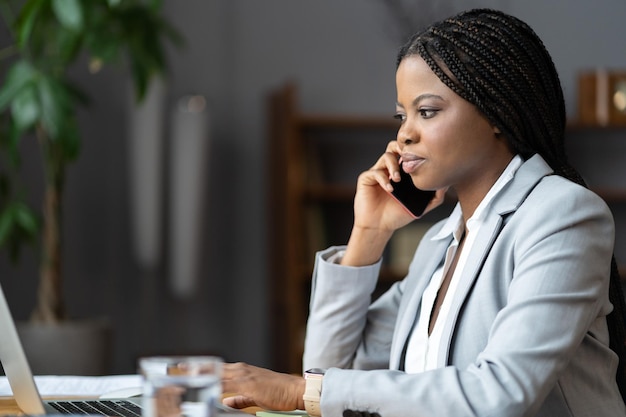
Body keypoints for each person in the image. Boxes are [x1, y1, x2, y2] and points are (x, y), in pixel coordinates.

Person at [222, 8, 626, 417]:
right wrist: (369, 232)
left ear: (497, 114)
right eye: (402, 115)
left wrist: (297, 391)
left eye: (427, 111)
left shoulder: (563, 215)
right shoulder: (442, 246)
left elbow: (499, 394)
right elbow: (329, 369)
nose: (404, 133)